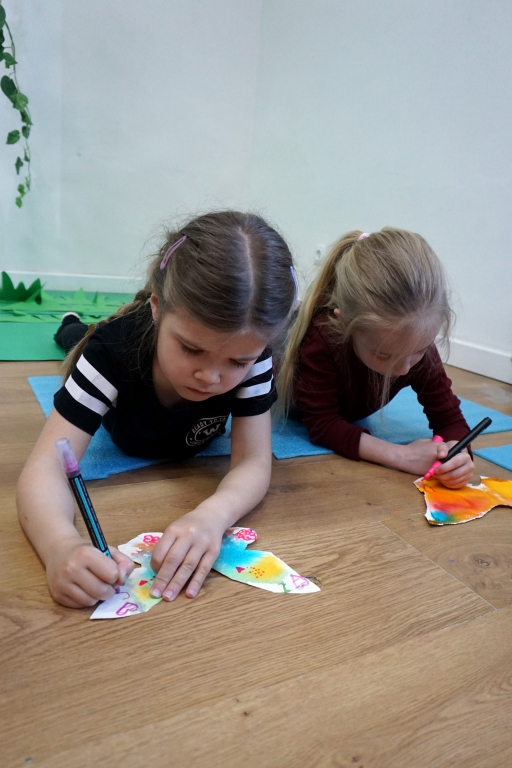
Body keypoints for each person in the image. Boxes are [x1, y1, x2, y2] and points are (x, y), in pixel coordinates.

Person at [17, 211, 297, 608]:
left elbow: (254, 462)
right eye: (191, 349)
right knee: (75, 337)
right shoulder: (109, 353)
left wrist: (214, 515)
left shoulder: (255, 356)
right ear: (156, 306)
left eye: (237, 362)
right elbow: (43, 469)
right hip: (112, 353)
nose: (209, 377)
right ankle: (70, 323)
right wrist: (60, 546)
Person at [277, 227, 474, 489]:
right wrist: (400, 455)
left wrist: (458, 454)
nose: (404, 368)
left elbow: (450, 419)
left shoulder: (414, 343)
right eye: (384, 355)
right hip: (292, 403)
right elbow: (323, 423)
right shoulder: (322, 338)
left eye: (420, 350)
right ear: (344, 323)